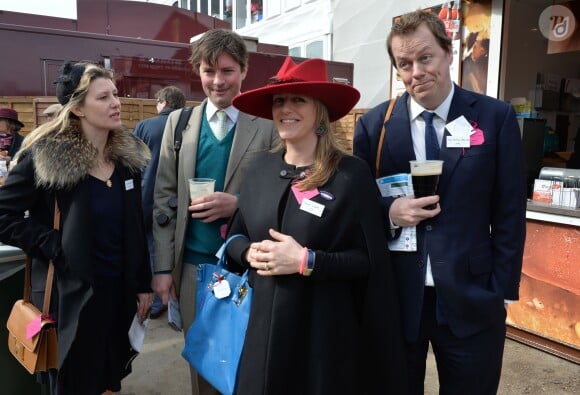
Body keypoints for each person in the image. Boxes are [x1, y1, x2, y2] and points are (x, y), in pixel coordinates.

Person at [353, 10, 527, 395]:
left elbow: (510, 212)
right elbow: (359, 209)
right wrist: (390, 212)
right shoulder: (374, 127)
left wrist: (500, 290)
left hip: (472, 298)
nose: (417, 71)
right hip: (397, 300)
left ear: (449, 54)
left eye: (425, 57)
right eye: (405, 63)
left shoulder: (495, 118)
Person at [226, 56, 407, 394]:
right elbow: (235, 237)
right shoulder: (260, 169)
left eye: (298, 100)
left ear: (319, 111)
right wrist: (249, 252)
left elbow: (369, 262)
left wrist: (307, 261)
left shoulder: (350, 175)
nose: (285, 109)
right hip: (261, 333)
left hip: (322, 339)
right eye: (279, 101)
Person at [0, 61, 153, 395]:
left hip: (118, 294)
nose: (116, 102)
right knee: (75, 382)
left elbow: (135, 228)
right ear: (79, 108)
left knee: (111, 379)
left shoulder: (127, 161)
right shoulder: (45, 155)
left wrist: (143, 283)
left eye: (115, 94)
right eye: (103, 97)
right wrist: (54, 244)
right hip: (70, 297)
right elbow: (3, 216)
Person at [151, 28, 278, 395]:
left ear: (243, 70)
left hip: (249, 267)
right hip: (193, 268)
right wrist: (162, 269)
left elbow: (283, 193)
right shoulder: (180, 124)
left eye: (227, 71)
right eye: (209, 71)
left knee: (252, 363)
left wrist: (238, 203)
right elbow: (163, 198)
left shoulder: (267, 126)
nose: (218, 81)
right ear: (198, 72)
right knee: (205, 367)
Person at [134, 85, 186, 319]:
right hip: (181, 198)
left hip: (147, 196)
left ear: (163, 102)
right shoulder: (189, 125)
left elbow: (134, 163)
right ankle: (176, 301)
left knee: (152, 246)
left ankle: (156, 303)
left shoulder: (145, 126)